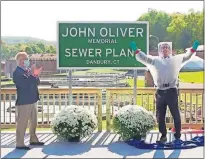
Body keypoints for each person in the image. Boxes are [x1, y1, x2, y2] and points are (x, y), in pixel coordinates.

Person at [130, 40, 200, 143]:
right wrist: (136, 50)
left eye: (167, 47)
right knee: (160, 116)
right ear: (160, 50)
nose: (165, 49)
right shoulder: (154, 60)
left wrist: (194, 48)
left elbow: (187, 56)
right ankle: (163, 136)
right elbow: (143, 58)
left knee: (176, 114)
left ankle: (177, 136)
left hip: (172, 91)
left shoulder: (176, 59)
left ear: (170, 50)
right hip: (160, 92)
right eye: (163, 47)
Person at [13, 52, 44, 150]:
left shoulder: (28, 70)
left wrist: (35, 75)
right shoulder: (17, 72)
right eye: (23, 59)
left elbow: (37, 82)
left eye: (27, 59)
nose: (26, 61)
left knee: (33, 122)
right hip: (24, 102)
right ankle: (20, 143)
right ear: (18, 61)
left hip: (33, 100)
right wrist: (33, 75)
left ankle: (33, 139)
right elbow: (24, 84)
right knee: (22, 123)